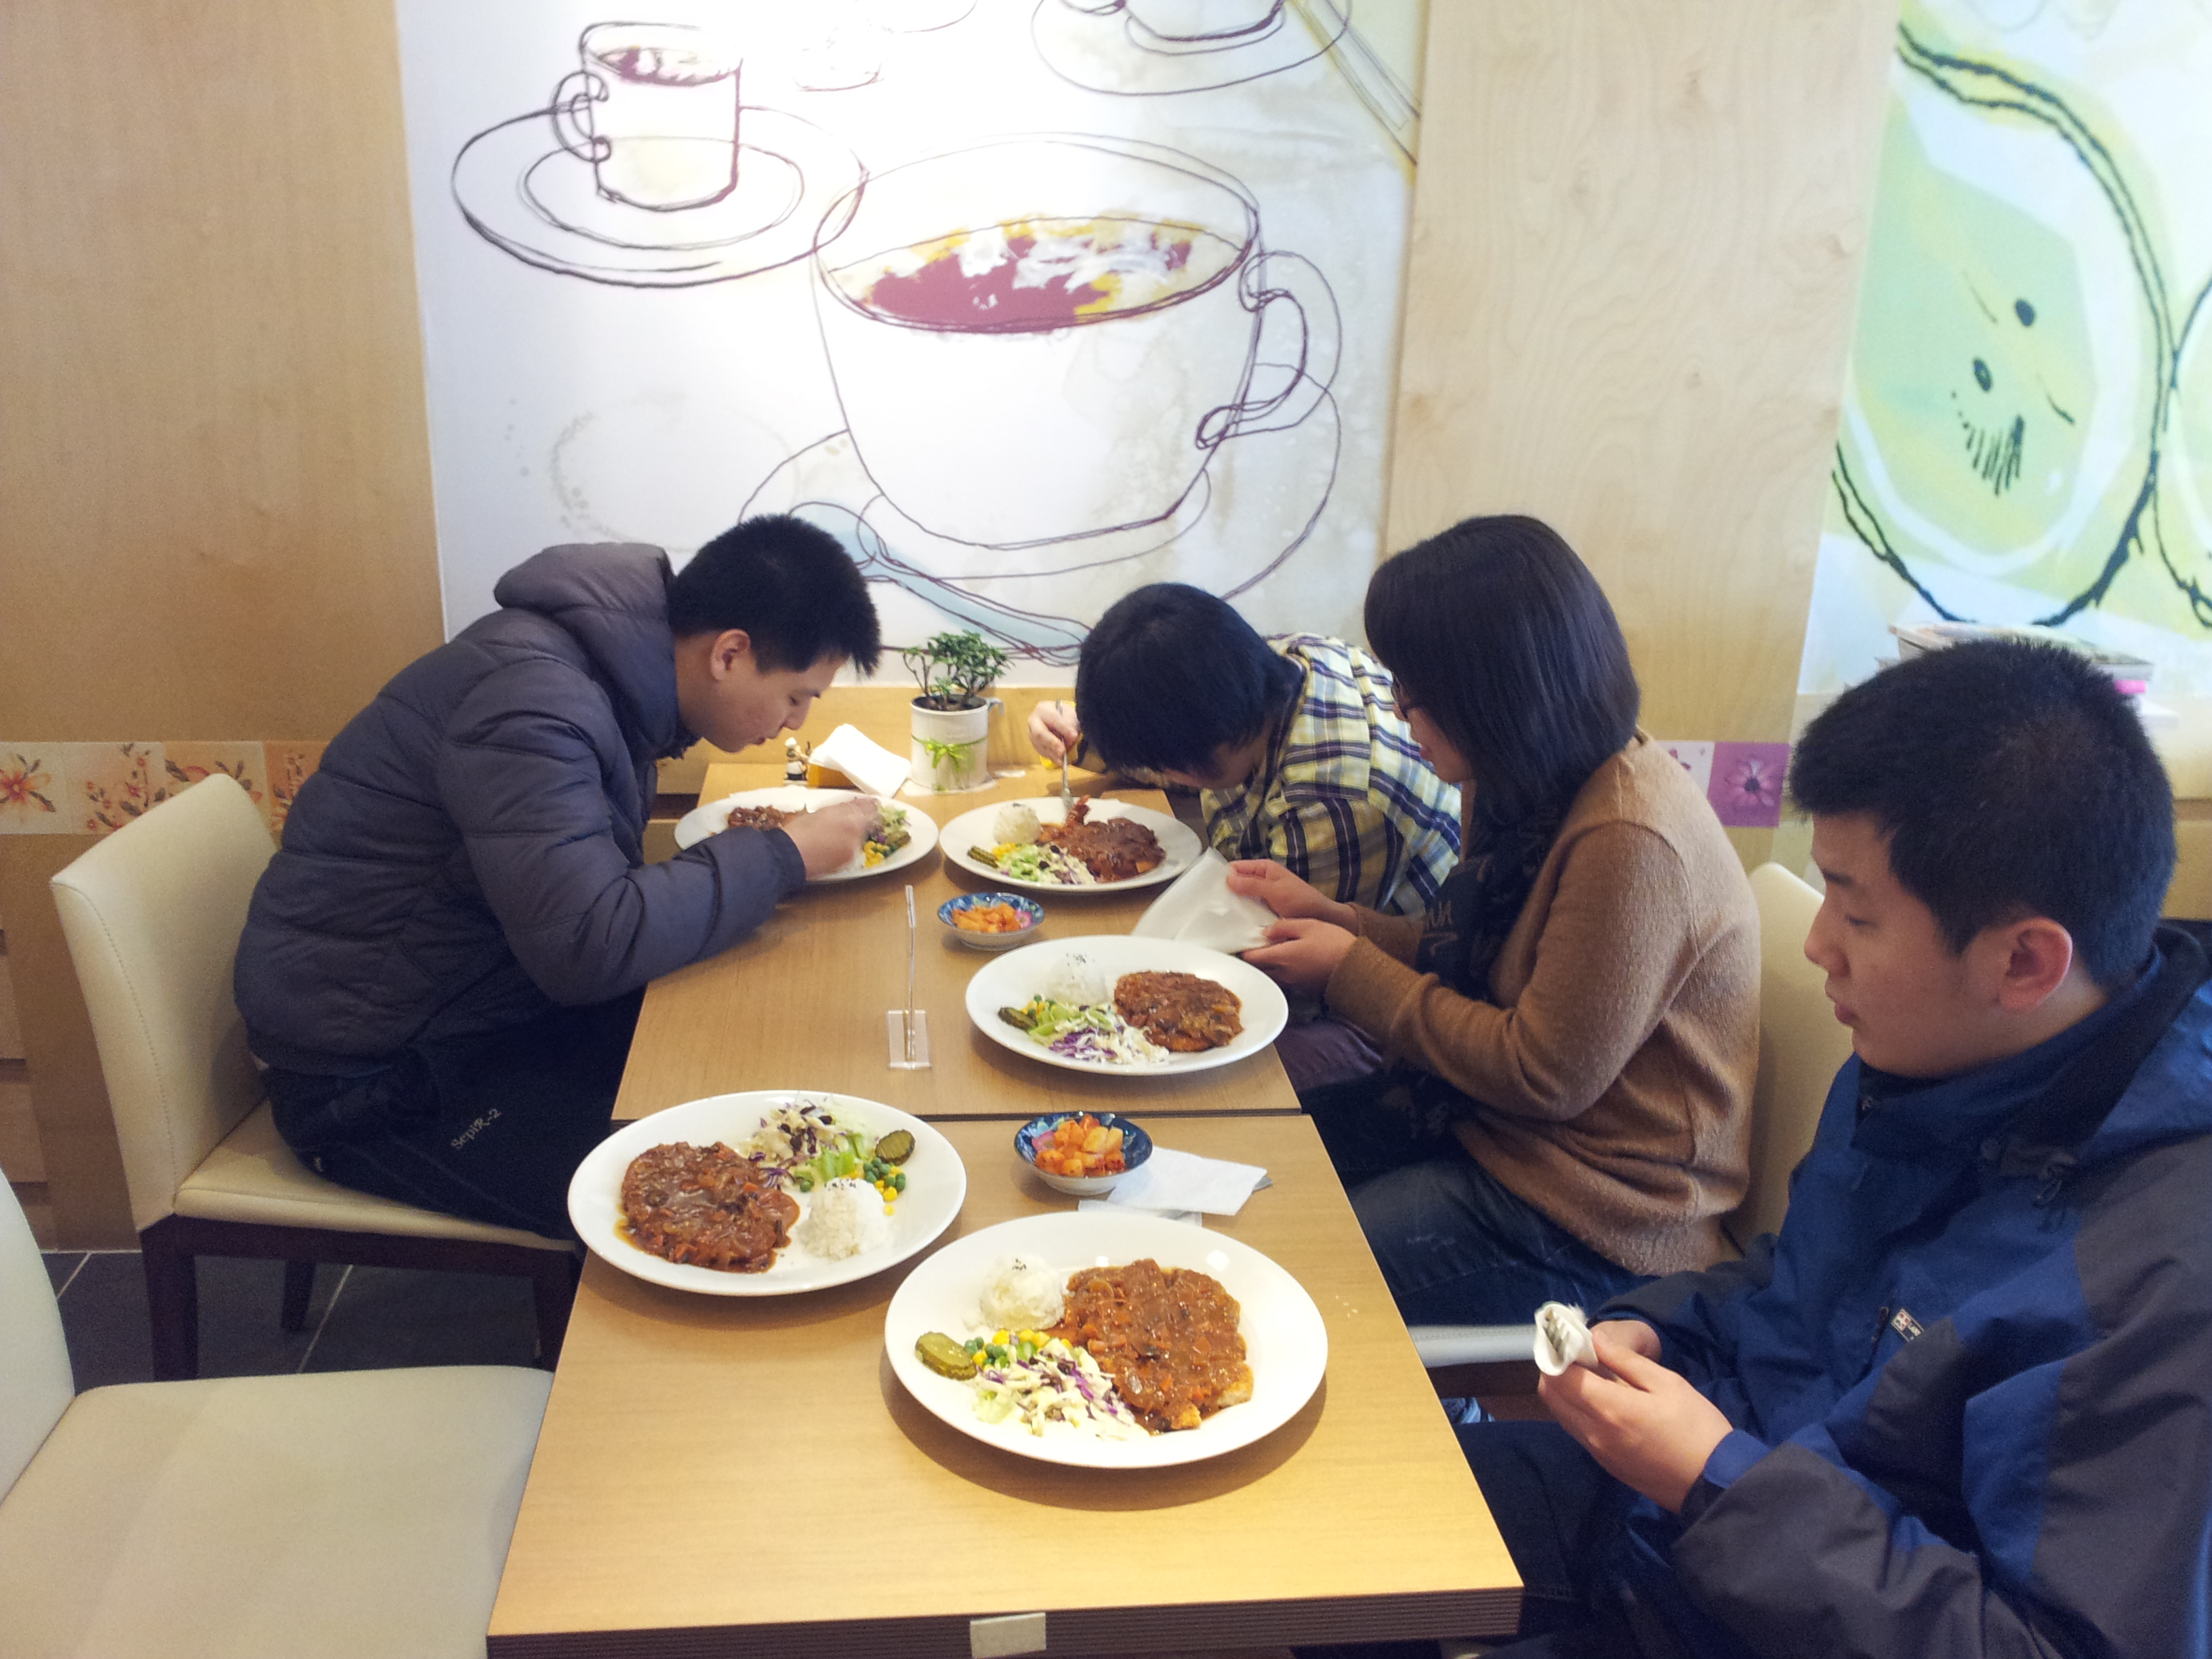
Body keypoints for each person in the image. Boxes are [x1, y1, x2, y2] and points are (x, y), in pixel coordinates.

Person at [1471, 638, 2211, 1657]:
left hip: (1762, 1583)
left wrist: (1716, 1481)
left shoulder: (2159, 1277)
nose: (1819, 945)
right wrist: (1660, 1330)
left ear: (2025, 962)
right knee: (1339, 1527)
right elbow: (1799, 1287)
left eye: (1855, 914)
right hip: (1680, 1531)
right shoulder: (1924, 1060)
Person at [234, 516, 882, 1240]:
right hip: (370, 1082)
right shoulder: (533, 704)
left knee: (742, 1059)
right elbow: (586, 945)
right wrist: (783, 855)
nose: (794, 723)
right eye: (797, 696)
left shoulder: (592, 680)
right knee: (706, 1203)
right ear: (729, 653)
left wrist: (775, 859)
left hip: (479, 1008)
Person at [1231, 516, 1759, 1324]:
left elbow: (1542, 1074)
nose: (1401, 711)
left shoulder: (1629, 838)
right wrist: (1344, 921)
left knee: (1280, 1260)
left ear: (1495, 693)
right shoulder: (1524, 780)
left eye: (1417, 693)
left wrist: (1348, 970)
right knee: (1254, 1165)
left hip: (1595, 1211)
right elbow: (1487, 958)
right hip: (1490, 1132)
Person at [1027, 583, 1462, 1090]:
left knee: (1165, 1080)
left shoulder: (1332, 803)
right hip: (1330, 935)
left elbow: (1289, 976)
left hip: (1383, 1014)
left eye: (1160, 761)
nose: (1161, 773)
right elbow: (1191, 755)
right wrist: (1076, 737)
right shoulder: (1270, 667)